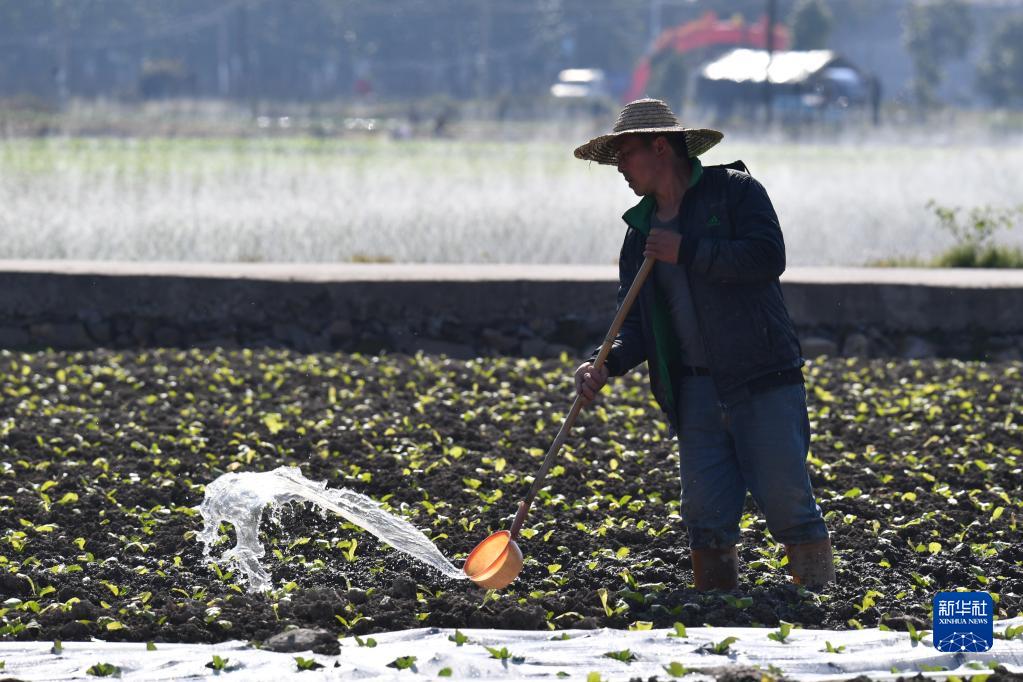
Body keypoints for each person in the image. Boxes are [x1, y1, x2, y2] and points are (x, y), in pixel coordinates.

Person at [572, 98, 834, 590]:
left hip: (762, 378)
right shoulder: (640, 232)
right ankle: (715, 609)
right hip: (693, 392)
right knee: (705, 516)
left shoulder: (734, 192)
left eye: (625, 155)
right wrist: (604, 363)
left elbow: (767, 257)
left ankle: (821, 604)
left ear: (659, 147)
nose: (620, 168)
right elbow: (634, 322)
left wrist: (688, 250)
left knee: (789, 504)